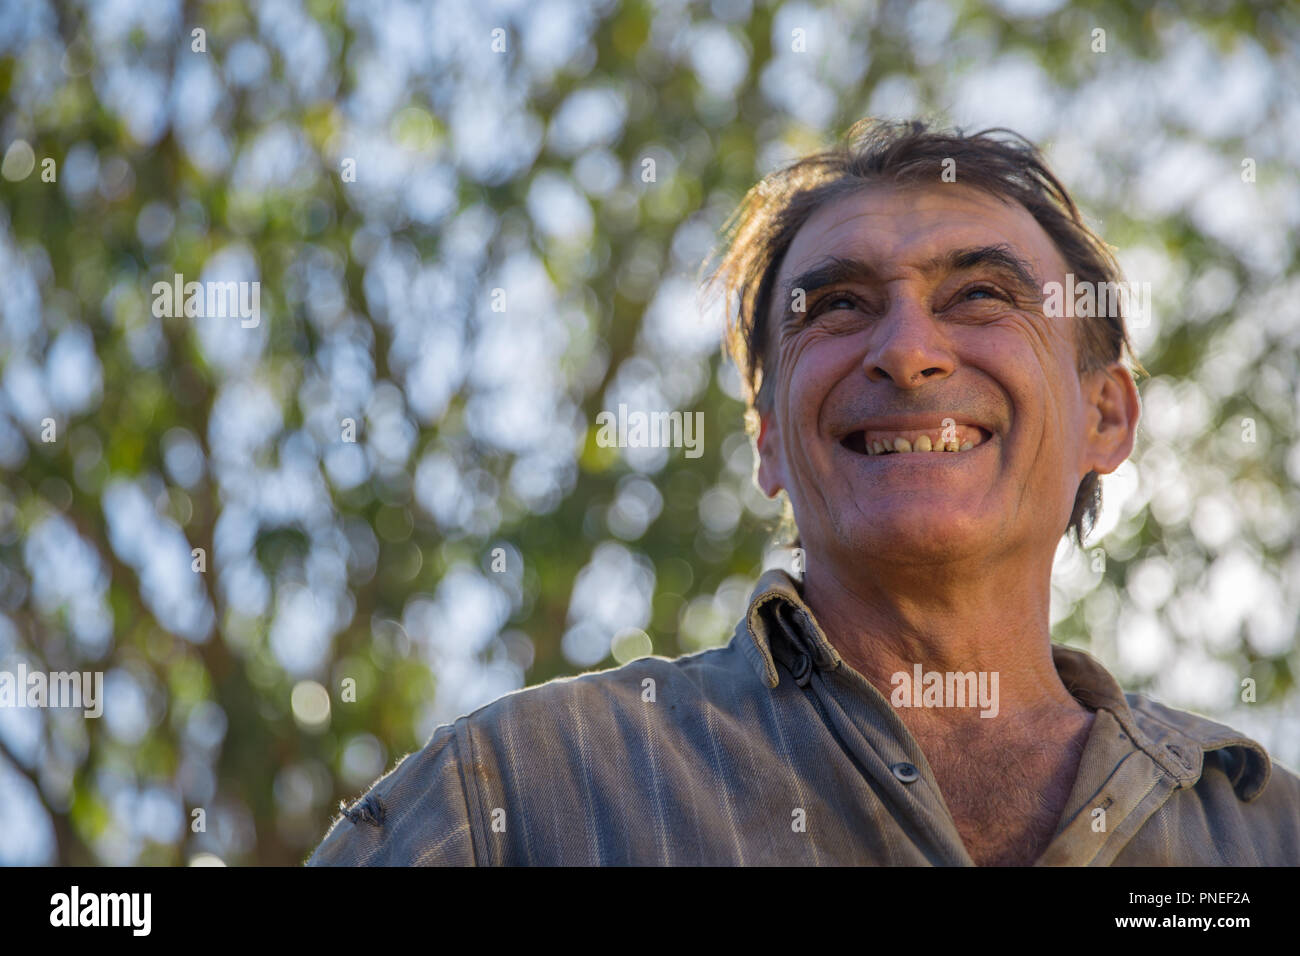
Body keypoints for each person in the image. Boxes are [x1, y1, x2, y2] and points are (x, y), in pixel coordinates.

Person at [307, 118, 1300, 866]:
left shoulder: (1264, 832)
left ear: (1107, 417)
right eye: (838, 305)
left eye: (980, 295)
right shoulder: (521, 790)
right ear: (770, 438)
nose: (907, 350)